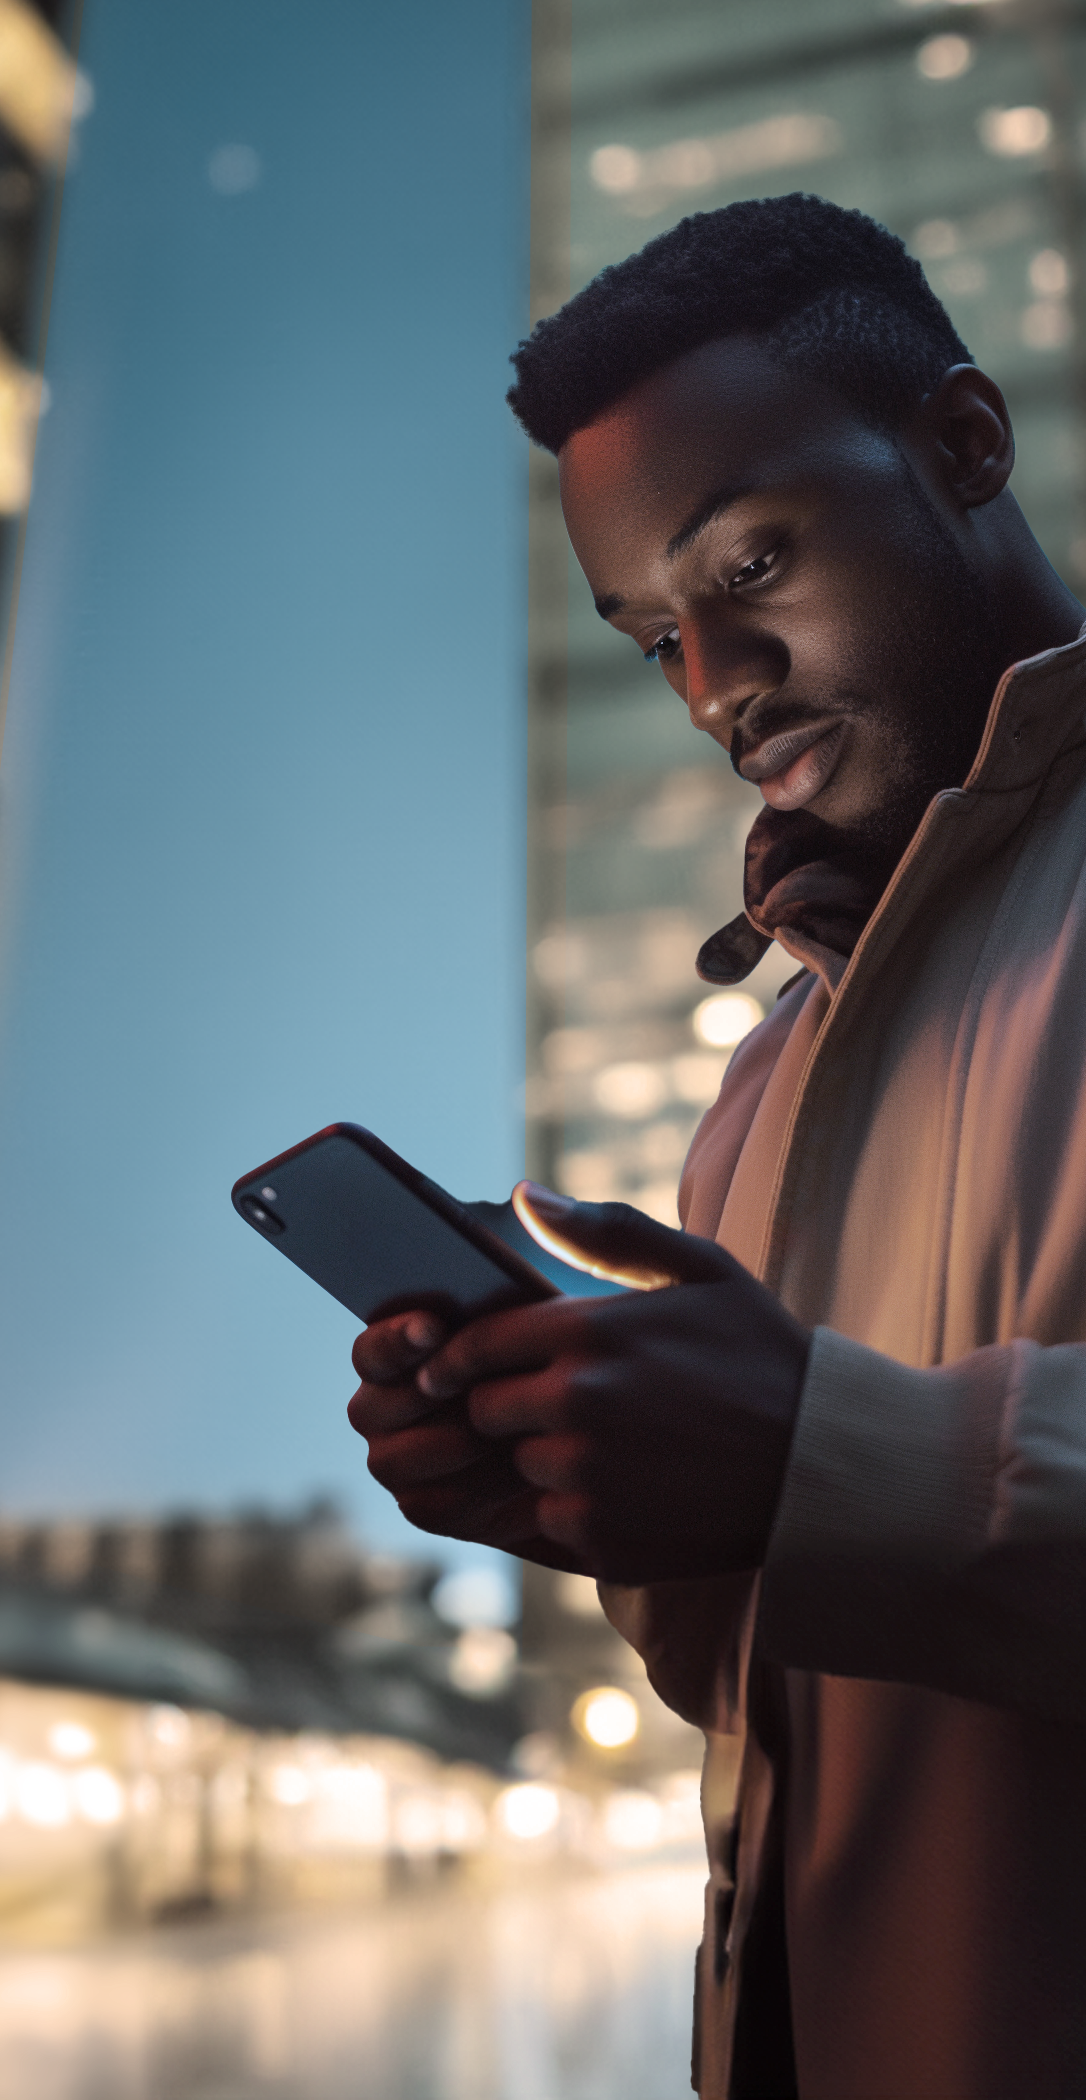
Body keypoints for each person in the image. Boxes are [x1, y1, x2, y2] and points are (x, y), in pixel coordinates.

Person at [348, 193, 1086, 2100]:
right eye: (649, 634)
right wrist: (600, 1495)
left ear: (960, 446)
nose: (710, 682)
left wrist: (818, 1452)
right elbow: (779, 1699)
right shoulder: (761, 1081)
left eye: (750, 561)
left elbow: (881, 1494)